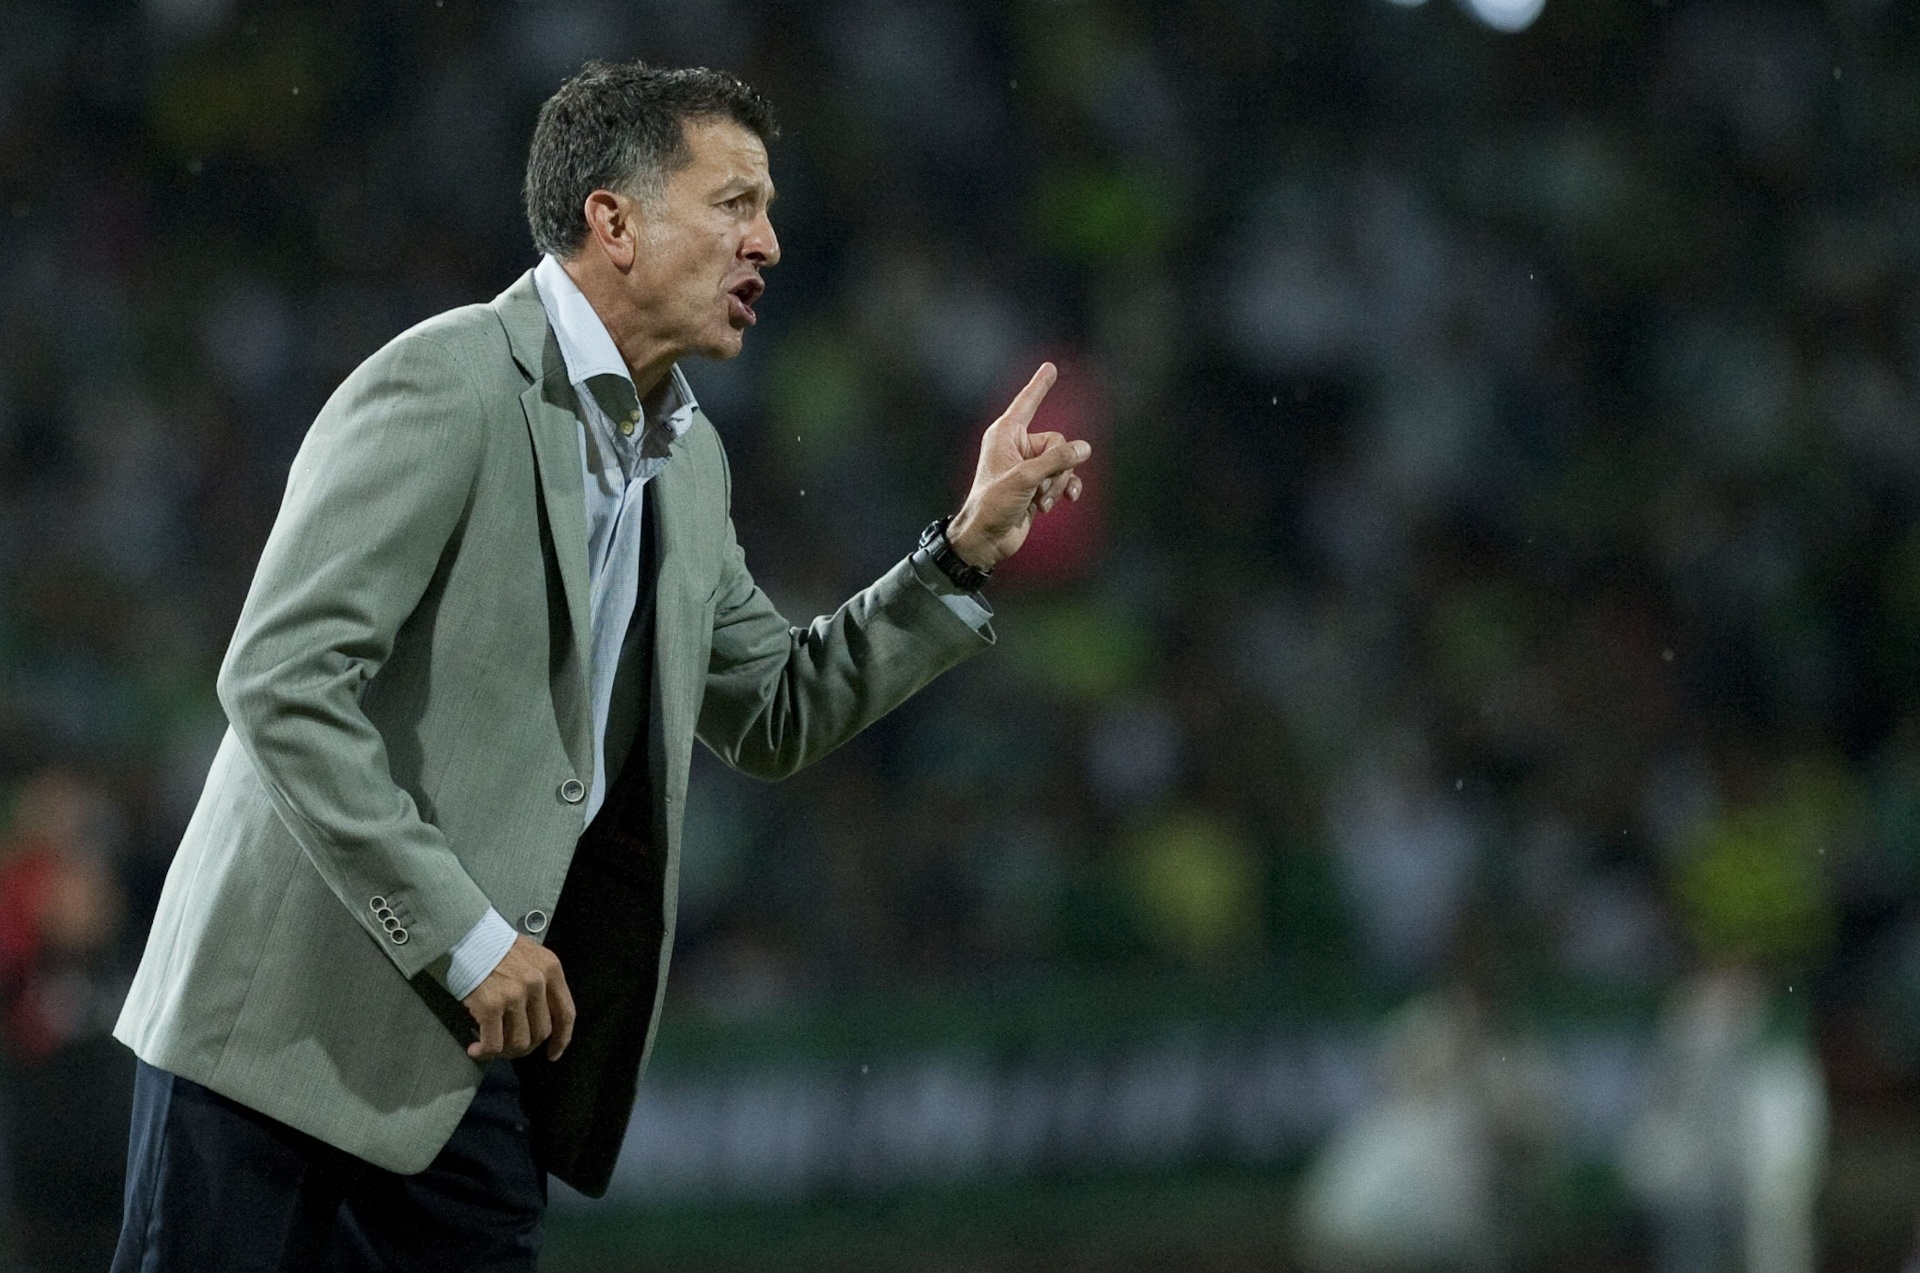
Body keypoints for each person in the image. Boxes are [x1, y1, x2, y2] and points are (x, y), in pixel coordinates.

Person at [109, 60, 1089, 1271]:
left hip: (470, 1055)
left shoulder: (689, 459)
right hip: (276, 1043)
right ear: (612, 221)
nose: (769, 242)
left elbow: (775, 709)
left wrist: (958, 556)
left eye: (768, 208)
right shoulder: (447, 382)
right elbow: (281, 681)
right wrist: (470, 938)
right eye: (734, 203)